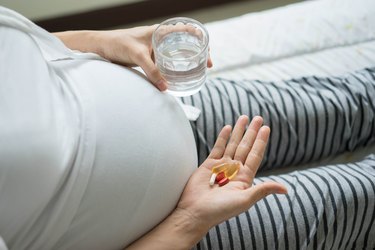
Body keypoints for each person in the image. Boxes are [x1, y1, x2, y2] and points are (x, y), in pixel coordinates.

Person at [1, 5, 375, 250]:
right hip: (177, 232)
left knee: (347, 103)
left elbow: (28, 49)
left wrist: (102, 41)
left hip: (175, 103)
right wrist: (189, 221)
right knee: (358, 198)